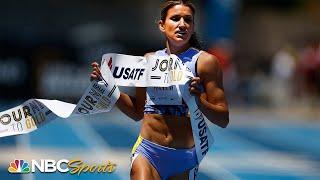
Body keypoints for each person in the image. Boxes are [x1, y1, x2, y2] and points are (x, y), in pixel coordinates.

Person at [90, 0, 229, 179]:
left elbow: (223, 119)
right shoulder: (148, 60)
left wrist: (199, 101)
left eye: (188, 20)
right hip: (148, 152)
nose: (182, 24)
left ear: (193, 27)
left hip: (184, 158)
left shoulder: (206, 63)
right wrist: (107, 88)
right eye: (175, 18)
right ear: (162, 25)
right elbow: (136, 112)